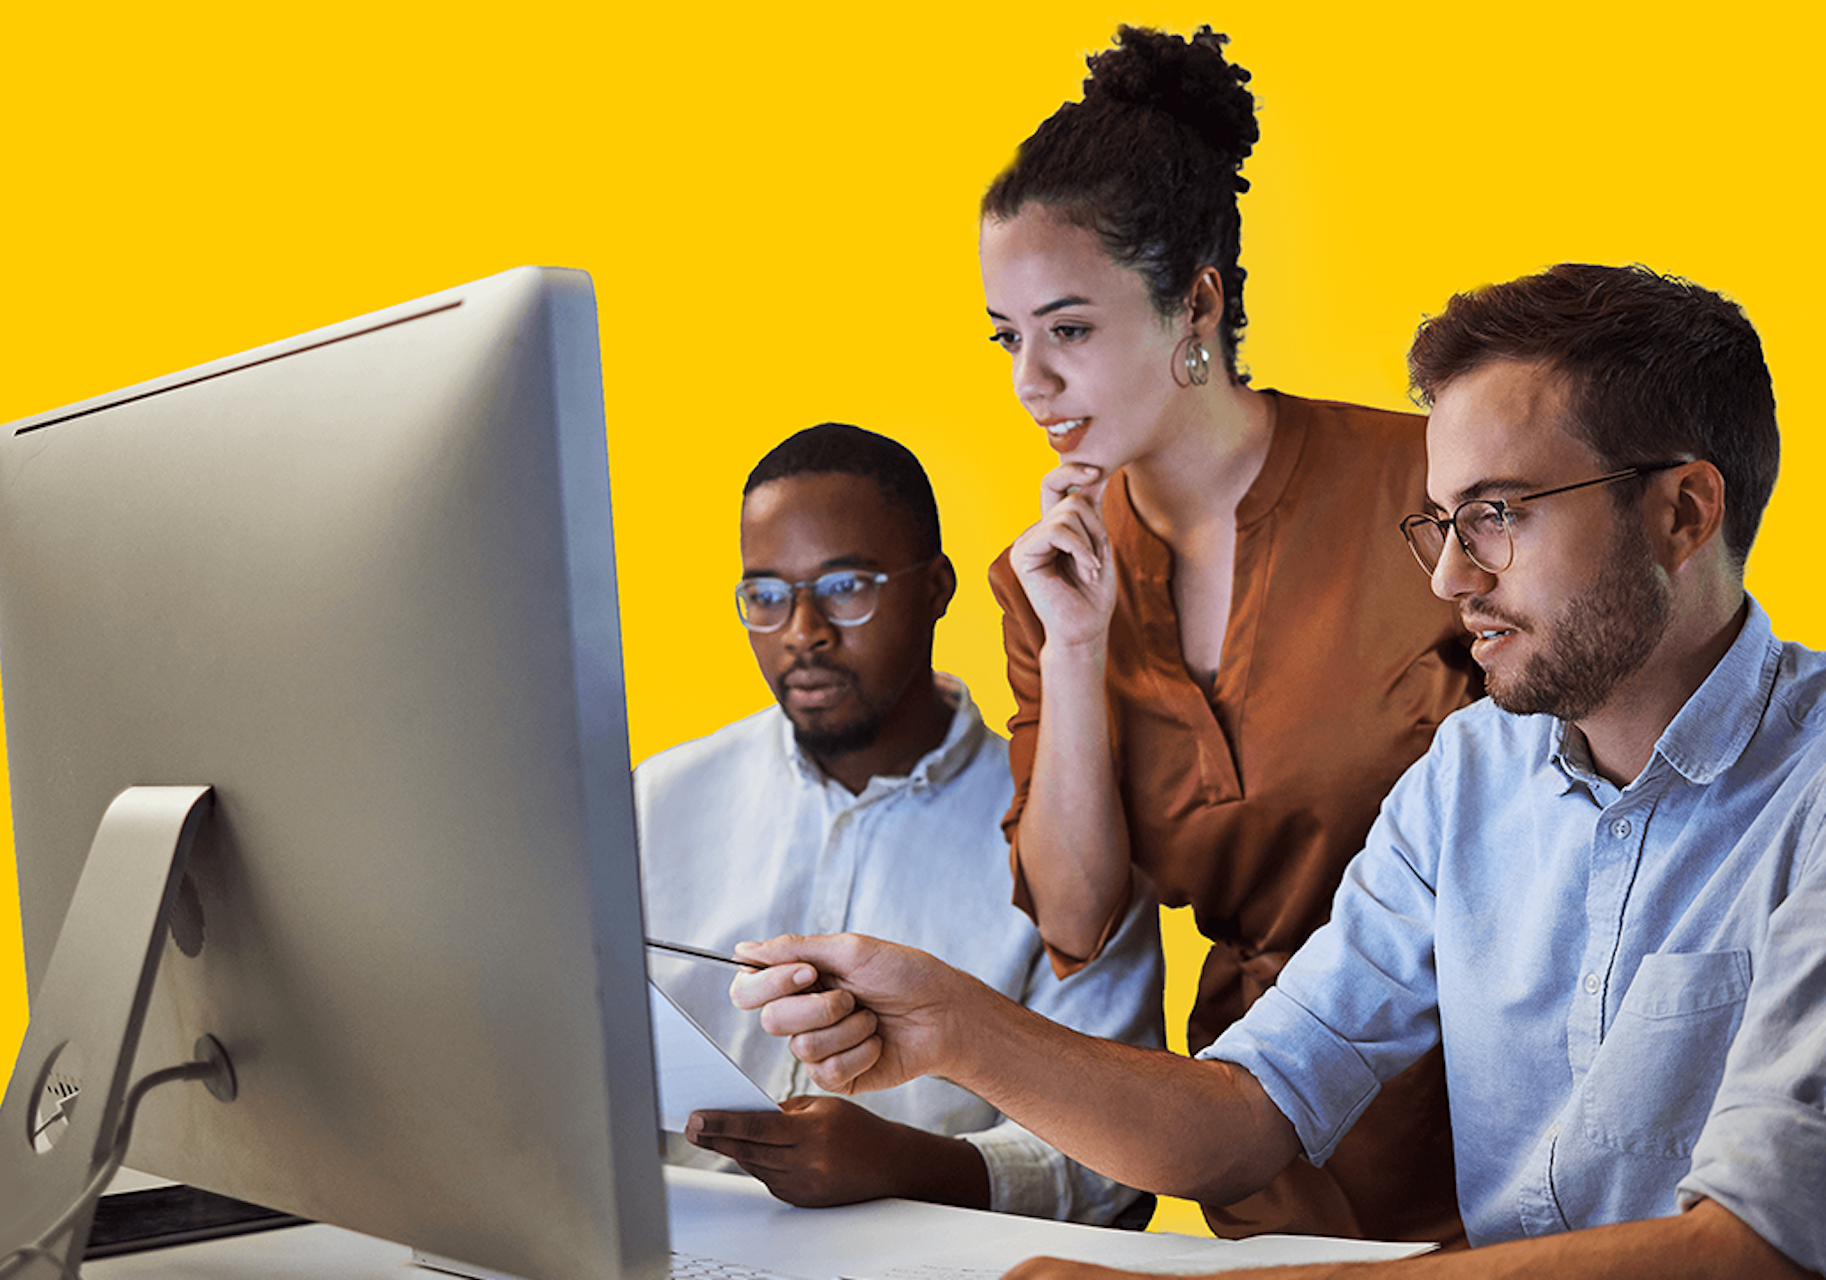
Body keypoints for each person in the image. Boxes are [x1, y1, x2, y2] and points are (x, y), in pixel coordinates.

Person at [732, 265, 1824, 1278]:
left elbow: (1751, 1248)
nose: (1450, 574)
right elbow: (1253, 1106)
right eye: (1442, 521)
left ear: (1684, 511)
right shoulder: (1470, 775)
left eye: (1496, 514)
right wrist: (956, 1025)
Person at [980, 25, 1474, 1244]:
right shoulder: (1045, 581)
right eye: (1007, 336)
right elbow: (1077, 917)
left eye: (1070, 328)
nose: (1029, 381)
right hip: (1253, 1141)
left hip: (1497, 1113)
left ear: (1196, 299)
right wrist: (1082, 644)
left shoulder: (1430, 482)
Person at [635, 422, 1164, 1225]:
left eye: (846, 586)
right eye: (766, 597)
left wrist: (908, 1165)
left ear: (936, 587)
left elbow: (1120, 1159)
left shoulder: (1065, 834)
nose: (802, 631)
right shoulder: (659, 800)